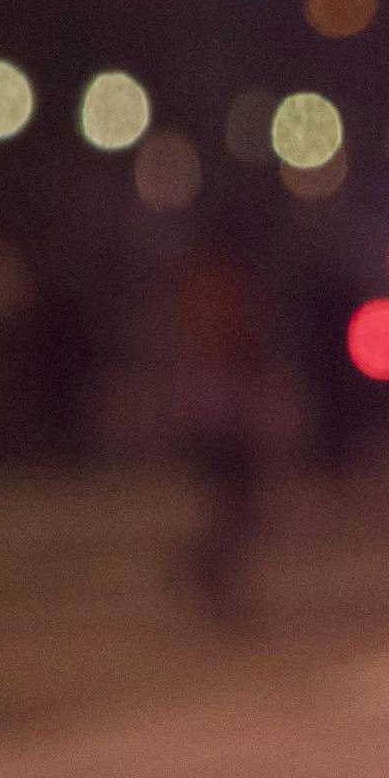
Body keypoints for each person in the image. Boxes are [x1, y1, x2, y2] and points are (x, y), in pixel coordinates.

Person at [169, 238, 271, 625]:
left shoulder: (221, 304)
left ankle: (209, 576)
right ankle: (208, 578)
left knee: (240, 513)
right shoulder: (207, 306)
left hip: (231, 424)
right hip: (214, 428)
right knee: (233, 511)